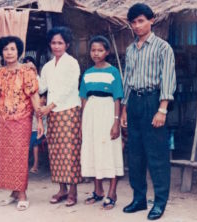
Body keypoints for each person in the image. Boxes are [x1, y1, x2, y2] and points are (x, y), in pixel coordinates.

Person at [121, 3, 176, 220]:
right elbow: (127, 81)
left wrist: (162, 109)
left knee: (157, 155)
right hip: (134, 101)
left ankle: (160, 202)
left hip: (154, 101)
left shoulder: (163, 47)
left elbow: (168, 79)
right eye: (133, 22)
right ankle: (139, 199)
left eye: (141, 21)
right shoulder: (130, 49)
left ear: (151, 20)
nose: (137, 26)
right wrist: (124, 109)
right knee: (135, 154)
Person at [0, 36, 43, 211]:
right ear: (2, 52)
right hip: (3, 120)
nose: (9, 52)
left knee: (20, 156)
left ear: (18, 51)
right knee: (6, 156)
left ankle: (22, 194)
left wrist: (40, 120)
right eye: (5, 49)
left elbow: (35, 97)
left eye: (12, 49)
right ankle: (13, 192)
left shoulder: (27, 71)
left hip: (22, 119)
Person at [39, 26, 82, 207]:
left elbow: (68, 89)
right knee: (55, 151)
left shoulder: (72, 63)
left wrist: (49, 106)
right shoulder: (48, 66)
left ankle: (73, 192)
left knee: (70, 151)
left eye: (60, 43)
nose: (56, 46)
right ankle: (61, 189)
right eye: (54, 43)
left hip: (69, 111)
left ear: (67, 44)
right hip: (53, 114)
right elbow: (41, 88)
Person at [79, 35, 124, 210]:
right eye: (93, 50)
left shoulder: (113, 72)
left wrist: (116, 122)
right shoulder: (88, 73)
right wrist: (83, 123)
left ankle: (112, 192)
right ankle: (98, 190)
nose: (96, 53)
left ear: (107, 52)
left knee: (109, 151)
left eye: (100, 50)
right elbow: (83, 98)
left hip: (107, 113)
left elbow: (117, 99)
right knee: (93, 149)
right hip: (90, 114)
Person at [29, 92, 48, 174]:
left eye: (45, 98)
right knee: (32, 140)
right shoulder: (32, 108)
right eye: (41, 98)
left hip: (42, 132)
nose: (43, 100)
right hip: (33, 131)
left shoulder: (45, 108)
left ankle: (36, 164)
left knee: (35, 142)